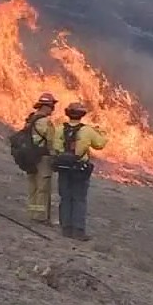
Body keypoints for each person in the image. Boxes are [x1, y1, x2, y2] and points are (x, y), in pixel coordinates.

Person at [50, 102, 107, 240]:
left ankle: (66, 229)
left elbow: (55, 147)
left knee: (65, 197)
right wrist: (101, 132)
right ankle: (78, 230)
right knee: (79, 199)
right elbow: (100, 144)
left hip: (63, 168)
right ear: (82, 115)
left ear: (68, 113)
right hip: (80, 169)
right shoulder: (87, 130)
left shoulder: (59, 129)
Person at [23, 93, 58, 223]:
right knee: (43, 188)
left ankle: (32, 214)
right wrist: (55, 156)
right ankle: (41, 216)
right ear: (46, 106)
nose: (53, 109)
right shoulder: (45, 122)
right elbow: (51, 141)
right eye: (52, 106)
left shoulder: (30, 119)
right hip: (43, 158)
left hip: (29, 157)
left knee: (32, 186)